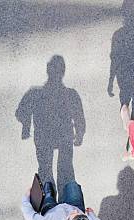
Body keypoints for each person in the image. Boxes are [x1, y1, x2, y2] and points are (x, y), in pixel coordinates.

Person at [16, 55, 86, 200]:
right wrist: (79, 135)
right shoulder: (70, 95)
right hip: (61, 137)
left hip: (45, 138)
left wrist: (26, 125)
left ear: (48, 70)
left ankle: (46, 203)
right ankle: (63, 203)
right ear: (63, 71)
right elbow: (79, 118)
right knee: (64, 172)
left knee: (46, 172)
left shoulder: (35, 94)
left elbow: (20, 112)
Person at [21, 180, 102, 220]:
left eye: (72, 214)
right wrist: (91, 214)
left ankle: (49, 195)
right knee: (72, 185)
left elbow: (29, 214)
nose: (75, 211)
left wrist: (26, 196)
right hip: (74, 204)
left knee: (48, 197)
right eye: (82, 215)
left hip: (51, 209)